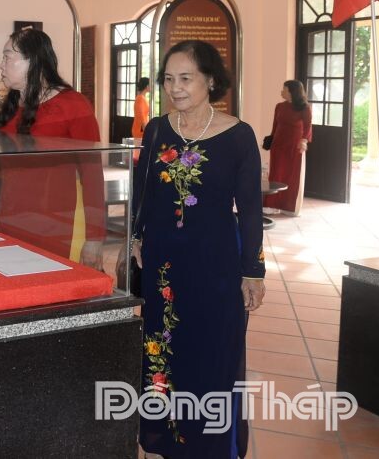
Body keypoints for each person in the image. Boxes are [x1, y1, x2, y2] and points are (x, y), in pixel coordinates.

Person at [132, 40, 264, 458]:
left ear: (210, 80)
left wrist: (253, 270)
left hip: (215, 264)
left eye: (186, 78)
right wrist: (134, 237)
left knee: (213, 351)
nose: (176, 87)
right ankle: (167, 437)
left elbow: (251, 209)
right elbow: (142, 190)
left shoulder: (239, 136)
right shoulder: (157, 130)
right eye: (169, 79)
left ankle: (210, 444)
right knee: (164, 348)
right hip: (163, 265)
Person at [0, 28, 105, 268]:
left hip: (59, 223)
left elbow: (92, 174)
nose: (1, 65)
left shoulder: (72, 105)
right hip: (12, 218)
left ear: (33, 60)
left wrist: (95, 237)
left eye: (7, 56)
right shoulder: (12, 106)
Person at [263, 80, 312, 215]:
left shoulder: (304, 108)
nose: (281, 91)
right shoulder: (279, 106)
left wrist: (304, 141)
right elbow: (275, 126)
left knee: (292, 176)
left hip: (295, 147)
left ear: (292, 92)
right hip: (278, 146)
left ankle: (289, 207)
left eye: (284, 89)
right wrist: (270, 141)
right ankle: (272, 205)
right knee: (276, 174)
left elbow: (308, 126)